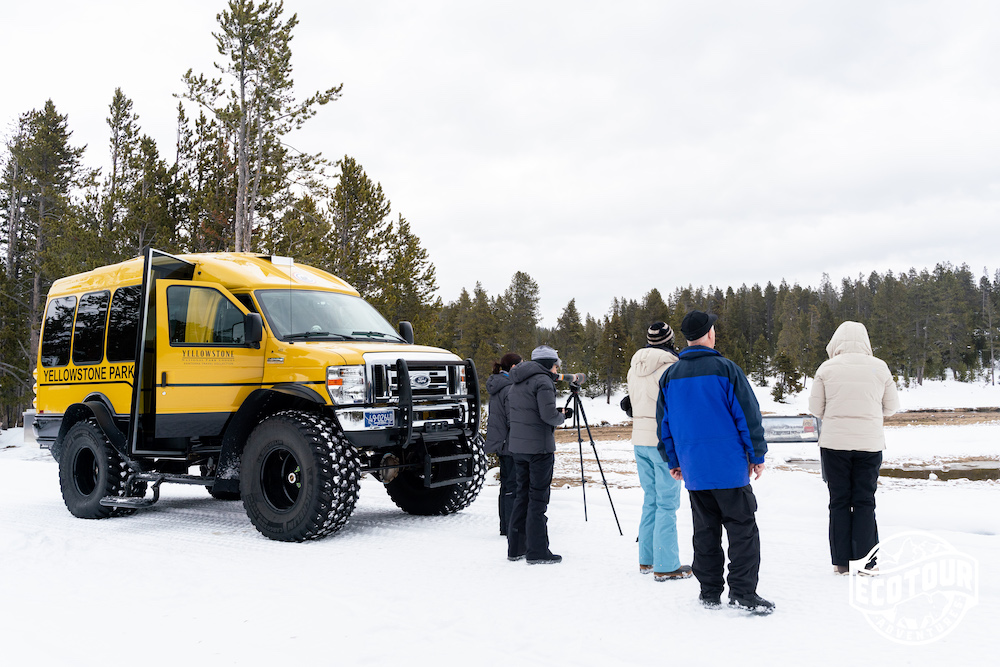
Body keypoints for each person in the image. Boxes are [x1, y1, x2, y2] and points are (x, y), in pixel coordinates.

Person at [656, 310, 773, 614]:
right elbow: (747, 415)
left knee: (705, 532)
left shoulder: (671, 375)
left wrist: (674, 459)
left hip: (695, 469)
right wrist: (756, 455)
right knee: (742, 531)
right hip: (729, 467)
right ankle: (743, 592)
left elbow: (664, 424)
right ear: (709, 334)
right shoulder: (726, 369)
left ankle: (709, 592)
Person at [809, 321, 900, 575]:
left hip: (834, 445)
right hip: (869, 445)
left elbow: (816, 409)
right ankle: (867, 562)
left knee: (838, 502)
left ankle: (841, 563)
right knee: (865, 501)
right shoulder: (879, 367)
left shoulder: (826, 368)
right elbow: (891, 407)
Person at [626, 321, 692, 581]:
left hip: (639, 440)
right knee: (667, 503)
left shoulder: (634, 368)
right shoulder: (670, 367)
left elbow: (631, 403)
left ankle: (647, 560)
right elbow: (676, 407)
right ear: (670, 340)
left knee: (651, 499)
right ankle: (666, 565)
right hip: (661, 440)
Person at [506, 345, 568, 565]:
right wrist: (561, 416)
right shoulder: (543, 382)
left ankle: (516, 548)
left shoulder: (516, 382)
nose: (556, 368)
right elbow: (548, 416)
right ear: (547, 364)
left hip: (519, 447)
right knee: (538, 499)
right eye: (555, 364)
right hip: (539, 449)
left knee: (521, 495)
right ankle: (537, 551)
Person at [485, 352, 522, 536]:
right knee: (513, 486)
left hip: (502, 442)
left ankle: (505, 525)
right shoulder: (509, 388)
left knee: (506, 485)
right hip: (510, 442)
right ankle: (510, 527)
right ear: (514, 367)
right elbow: (512, 419)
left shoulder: (498, 384)